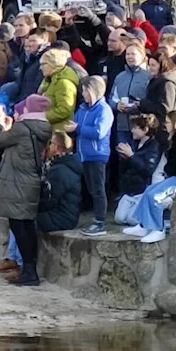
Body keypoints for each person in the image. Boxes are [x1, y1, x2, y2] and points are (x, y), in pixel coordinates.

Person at [0, 94, 54, 286]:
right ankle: (29, 269)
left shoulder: (22, 129)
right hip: (29, 182)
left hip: (17, 183)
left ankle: (29, 271)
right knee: (26, 226)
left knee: (19, 227)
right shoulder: (40, 128)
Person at [123, 119, 176, 243]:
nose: (165, 124)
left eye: (168, 121)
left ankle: (158, 229)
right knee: (149, 190)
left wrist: (169, 169)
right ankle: (143, 225)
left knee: (156, 196)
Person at [69, 75, 113, 235]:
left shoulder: (104, 110)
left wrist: (78, 128)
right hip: (83, 154)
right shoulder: (82, 108)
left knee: (98, 189)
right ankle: (95, 218)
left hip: (97, 155)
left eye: (85, 91)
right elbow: (76, 126)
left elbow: (99, 132)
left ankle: (100, 221)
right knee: (90, 188)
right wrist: (71, 130)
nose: (83, 94)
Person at [33, 131, 83, 238]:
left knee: (23, 220)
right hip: (64, 214)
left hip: (62, 217)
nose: (49, 146)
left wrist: (33, 208)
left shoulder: (60, 170)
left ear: (58, 148)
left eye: (51, 143)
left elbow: (50, 199)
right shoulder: (63, 165)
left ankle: (19, 255)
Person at [38, 48, 78, 130]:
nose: (40, 68)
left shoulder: (64, 83)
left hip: (58, 131)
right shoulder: (50, 80)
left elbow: (65, 110)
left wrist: (42, 116)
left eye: (43, 64)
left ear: (53, 64)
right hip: (49, 128)